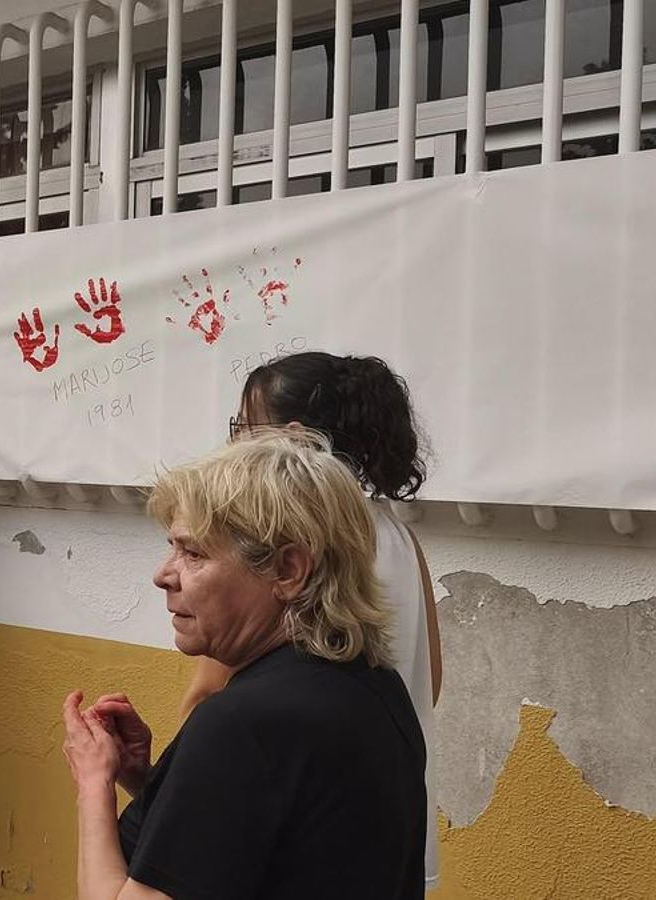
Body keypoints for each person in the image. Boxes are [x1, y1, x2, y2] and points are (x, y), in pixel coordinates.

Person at [62, 431, 426, 899]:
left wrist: (94, 784)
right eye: (172, 547)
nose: (163, 575)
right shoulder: (374, 685)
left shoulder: (243, 723)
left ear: (287, 571)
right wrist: (155, 781)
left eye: (193, 553)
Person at [186, 350, 443, 886]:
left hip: (290, 827)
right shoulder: (396, 534)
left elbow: (211, 695)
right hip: (389, 817)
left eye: (244, 428)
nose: (232, 446)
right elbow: (431, 679)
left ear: (295, 439)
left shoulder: (290, 543)